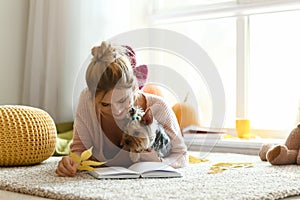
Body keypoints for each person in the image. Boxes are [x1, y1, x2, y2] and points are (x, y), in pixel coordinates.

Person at [55, 41, 188, 177]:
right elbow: (79, 149)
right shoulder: (87, 101)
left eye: (122, 100)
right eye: (105, 104)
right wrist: (71, 162)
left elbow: (182, 156)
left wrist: (160, 162)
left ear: (135, 87)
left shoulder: (159, 108)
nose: (117, 111)